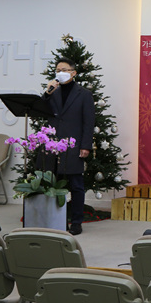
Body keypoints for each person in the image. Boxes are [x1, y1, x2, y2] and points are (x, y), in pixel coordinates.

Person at [42, 57, 95, 235]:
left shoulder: (84, 94)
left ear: (73, 73)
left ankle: (77, 222)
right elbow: (40, 110)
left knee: (76, 185)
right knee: (54, 184)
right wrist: (47, 93)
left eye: (64, 70)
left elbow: (88, 122)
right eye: (58, 70)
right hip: (53, 145)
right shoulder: (53, 92)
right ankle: (58, 221)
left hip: (73, 145)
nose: (60, 73)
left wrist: (85, 145)